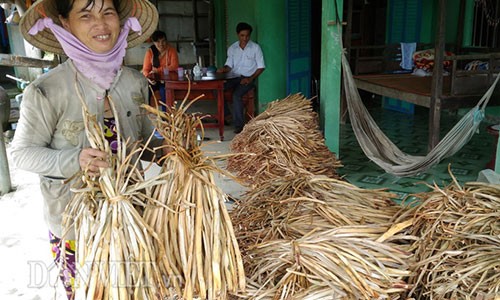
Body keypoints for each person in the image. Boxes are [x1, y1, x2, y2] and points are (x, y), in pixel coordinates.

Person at [11, 0, 160, 298]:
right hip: (74, 224)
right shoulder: (46, 90)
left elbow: (146, 142)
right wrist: (74, 160)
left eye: (108, 13)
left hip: (132, 217)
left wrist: (172, 150)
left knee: (136, 289)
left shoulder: (134, 83)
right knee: (88, 292)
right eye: (86, 15)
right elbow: (21, 153)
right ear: (65, 23)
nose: (101, 24)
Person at [218, 22, 265, 134]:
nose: (245, 38)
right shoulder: (232, 48)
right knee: (218, 88)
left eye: (247, 35)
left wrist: (250, 78)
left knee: (236, 95)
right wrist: (223, 69)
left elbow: (261, 67)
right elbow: (229, 66)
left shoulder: (255, 48)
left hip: (247, 79)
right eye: (242, 35)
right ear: (237, 34)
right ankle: (227, 115)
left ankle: (239, 125)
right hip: (233, 77)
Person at [142, 30, 179, 109]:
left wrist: (158, 70)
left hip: (167, 80)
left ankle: (165, 117)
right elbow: (145, 70)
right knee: (145, 92)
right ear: (154, 42)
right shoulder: (150, 52)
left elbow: (175, 66)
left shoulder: (171, 50)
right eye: (158, 42)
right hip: (153, 80)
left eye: (163, 41)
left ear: (166, 41)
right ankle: (145, 114)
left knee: (164, 93)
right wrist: (148, 78)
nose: (161, 44)